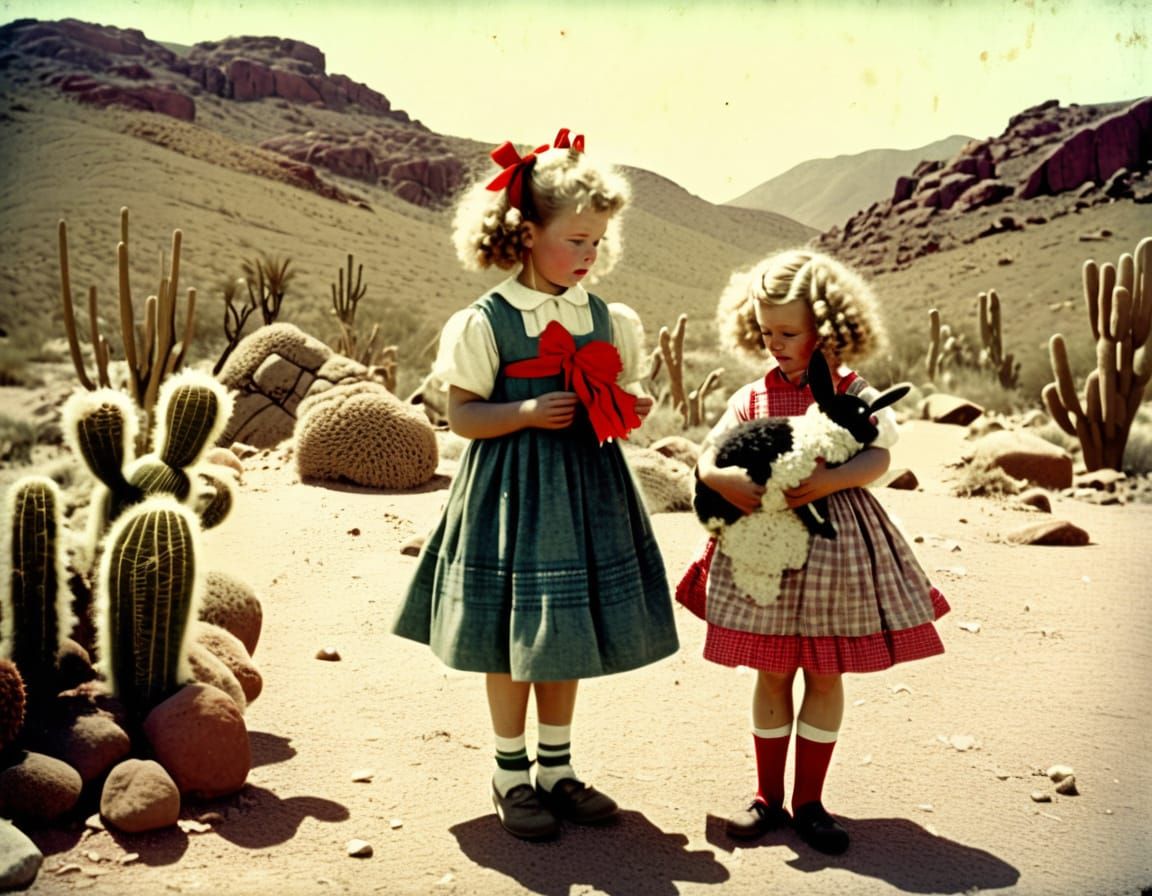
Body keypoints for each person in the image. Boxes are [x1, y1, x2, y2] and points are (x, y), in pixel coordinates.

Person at [393, 129, 679, 841]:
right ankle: (510, 774)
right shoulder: (485, 322)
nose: (589, 256)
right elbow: (460, 417)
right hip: (513, 493)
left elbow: (618, 391)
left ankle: (558, 769)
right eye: (576, 240)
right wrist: (523, 411)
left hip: (587, 487)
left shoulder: (605, 318)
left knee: (565, 631)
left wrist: (627, 408)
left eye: (597, 242)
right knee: (514, 635)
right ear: (525, 235)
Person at [677, 248, 949, 855]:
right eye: (766, 331)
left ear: (827, 327)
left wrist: (834, 479)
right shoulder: (752, 397)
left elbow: (881, 455)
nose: (775, 343)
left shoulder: (854, 392)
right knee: (772, 670)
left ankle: (811, 803)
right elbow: (708, 452)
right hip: (764, 554)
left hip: (836, 551)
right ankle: (765, 796)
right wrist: (719, 480)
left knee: (824, 672)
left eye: (789, 332)